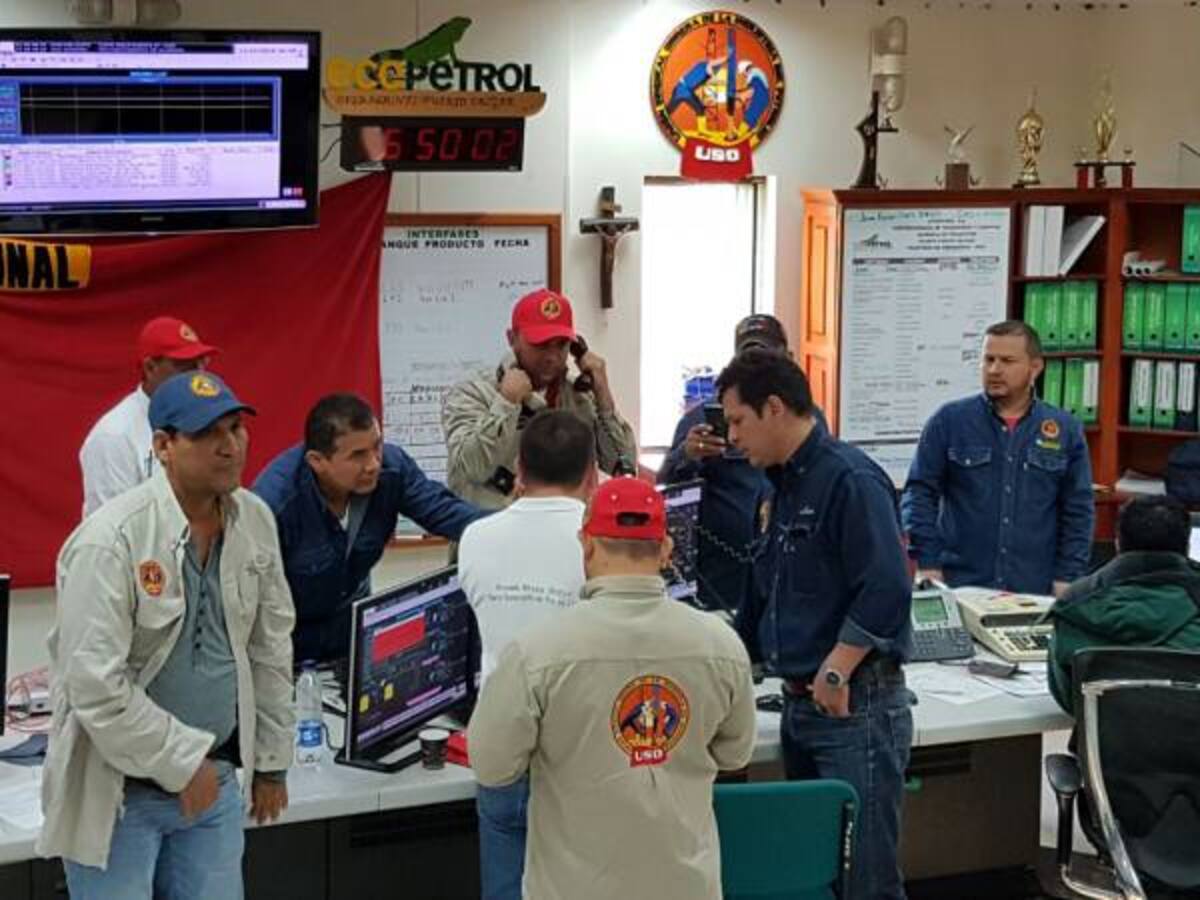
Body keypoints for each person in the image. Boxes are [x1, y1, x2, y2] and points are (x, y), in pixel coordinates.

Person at [40, 371, 295, 899]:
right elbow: (95, 687)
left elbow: (269, 648)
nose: (230, 446)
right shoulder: (111, 541)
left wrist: (272, 762)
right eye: (207, 435)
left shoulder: (254, 520)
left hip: (215, 785)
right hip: (120, 795)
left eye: (235, 428)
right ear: (163, 446)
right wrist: (182, 762)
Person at [468, 477, 756, 900]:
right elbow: (735, 754)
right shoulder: (723, 646)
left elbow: (492, 766)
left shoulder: (536, 651)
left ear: (585, 545)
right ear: (666, 550)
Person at [716, 349, 913, 900]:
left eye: (737, 421)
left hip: (853, 706)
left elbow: (887, 585)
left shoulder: (848, 479)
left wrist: (837, 669)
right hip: (801, 708)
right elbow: (764, 592)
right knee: (814, 872)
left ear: (774, 408)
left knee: (864, 881)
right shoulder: (775, 488)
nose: (731, 436)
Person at [458, 409, 596, 900]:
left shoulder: (475, 538)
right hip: (579, 756)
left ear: (518, 470)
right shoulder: (602, 545)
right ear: (592, 475)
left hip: (501, 750)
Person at [253, 392, 484, 665]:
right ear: (317, 461)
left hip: (354, 634)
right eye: (357, 456)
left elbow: (447, 513)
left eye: (377, 446)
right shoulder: (274, 504)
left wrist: (520, 525)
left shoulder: (392, 468)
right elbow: (254, 608)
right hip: (290, 648)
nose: (373, 464)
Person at [901, 320, 1094, 597]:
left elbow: (1078, 510)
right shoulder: (949, 421)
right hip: (958, 584)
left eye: (1007, 361)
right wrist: (927, 562)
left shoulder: (1065, 429)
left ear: (1035, 367)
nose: (994, 370)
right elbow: (918, 494)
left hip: (1034, 589)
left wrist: (1068, 575)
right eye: (988, 360)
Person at [658, 313, 826, 612]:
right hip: (721, 576)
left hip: (789, 568)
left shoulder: (806, 418)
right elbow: (666, 490)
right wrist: (688, 454)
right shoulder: (700, 418)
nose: (735, 434)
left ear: (786, 358)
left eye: (766, 357)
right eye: (749, 357)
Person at [442, 288, 637, 510]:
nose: (552, 357)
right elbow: (473, 467)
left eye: (562, 345)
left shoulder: (579, 398)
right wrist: (506, 404)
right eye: (541, 345)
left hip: (563, 533)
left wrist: (604, 397)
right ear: (512, 339)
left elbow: (622, 469)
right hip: (491, 533)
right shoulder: (472, 393)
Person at [1047, 494, 1200, 713]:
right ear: (1186, 546)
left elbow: (1067, 699)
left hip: (1110, 747)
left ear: (1118, 542)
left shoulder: (1074, 604)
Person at [79, 316, 218, 516]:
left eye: (201, 364)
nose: (197, 376)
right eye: (186, 367)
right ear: (150, 368)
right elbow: (112, 530)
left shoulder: (206, 421)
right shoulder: (114, 434)